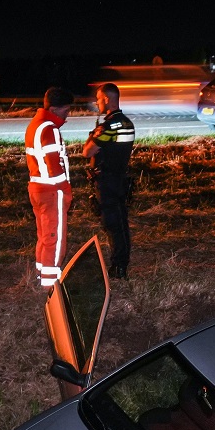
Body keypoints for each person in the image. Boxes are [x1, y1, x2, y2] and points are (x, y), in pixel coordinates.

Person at [83, 83, 136, 280]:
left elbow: (87, 151)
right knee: (121, 223)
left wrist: (92, 137)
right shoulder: (127, 123)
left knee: (112, 224)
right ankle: (121, 263)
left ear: (106, 99)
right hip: (120, 178)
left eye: (98, 99)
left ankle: (118, 267)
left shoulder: (108, 126)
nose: (97, 103)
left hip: (106, 180)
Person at [25, 87, 74, 291]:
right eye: (65, 111)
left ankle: (40, 274)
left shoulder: (34, 125)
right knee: (55, 239)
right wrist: (66, 190)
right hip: (52, 190)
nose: (68, 115)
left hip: (37, 188)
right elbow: (54, 166)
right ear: (54, 108)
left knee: (45, 235)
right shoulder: (49, 129)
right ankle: (50, 286)